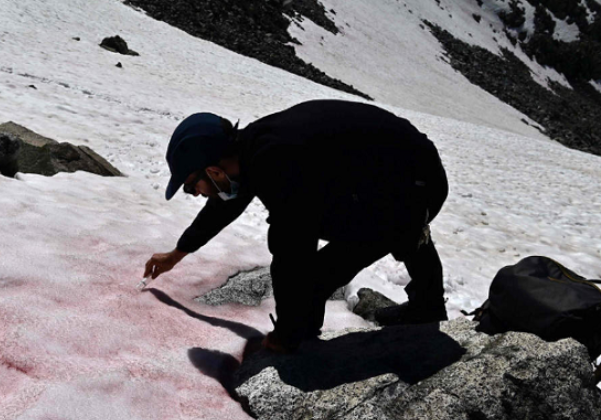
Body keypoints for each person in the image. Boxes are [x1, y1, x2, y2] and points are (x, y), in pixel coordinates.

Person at [144, 100, 449, 353]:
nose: (194, 193)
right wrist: (176, 254)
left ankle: (424, 305)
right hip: (406, 171)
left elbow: (292, 250)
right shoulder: (251, 148)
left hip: (415, 183)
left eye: (190, 185)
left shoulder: (276, 162)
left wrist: (287, 335)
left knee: (313, 271)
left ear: (213, 171)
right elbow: (224, 207)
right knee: (335, 229)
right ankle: (425, 296)